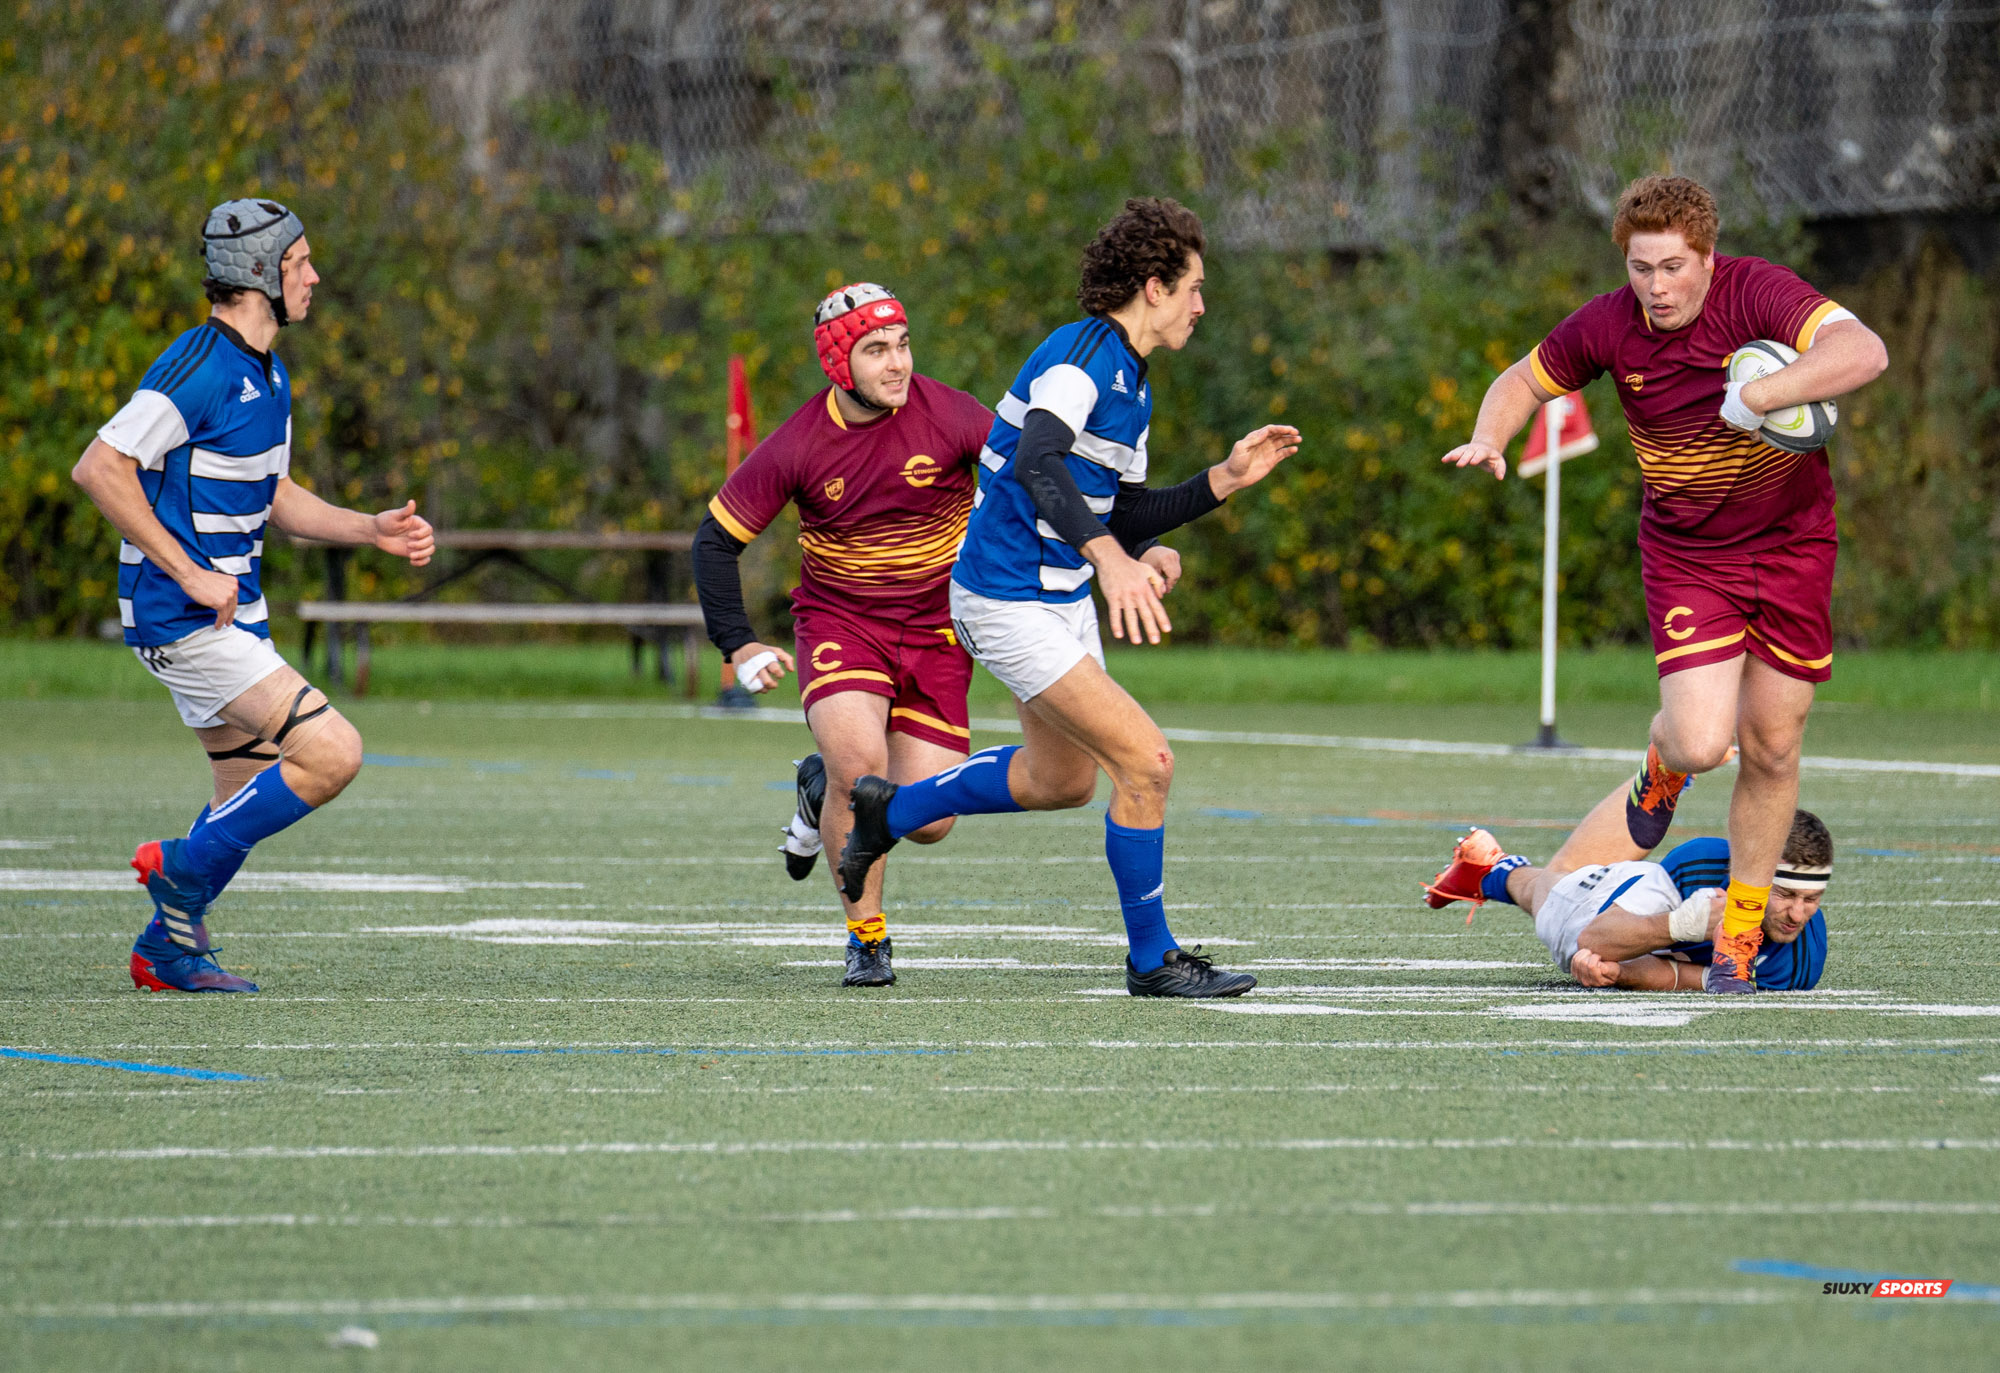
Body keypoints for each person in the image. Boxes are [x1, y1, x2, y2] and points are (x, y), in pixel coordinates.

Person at [834, 197, 1300, 998]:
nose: (1200, 304)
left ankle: (886, 812)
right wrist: (1113, 561)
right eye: (1192, 287)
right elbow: (1038, 465)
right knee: (1146, 763)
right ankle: (1151, 959)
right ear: (1153, 287)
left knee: (1063, 782)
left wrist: (1221, 481)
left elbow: (1118, 508)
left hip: (1056, 597)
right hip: (1006, 598)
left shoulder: (1134, 379)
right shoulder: (1079, 362)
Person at [1441, 175, 1885, 992]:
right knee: (1697, 741)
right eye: (1642, 268)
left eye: (1673, 267)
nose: (1657, 287)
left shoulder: (1758, 292)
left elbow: (1863, 352)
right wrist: (1489, 434)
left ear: (1708, 257)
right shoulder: (1611, 323)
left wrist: (1760, 395)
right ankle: (1664, 759)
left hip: (1791, 545)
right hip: (1690, 554)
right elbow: (1521, 381)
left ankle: (1737, 946)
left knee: (1774, 743)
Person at [70, 199, 434, 993]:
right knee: (332, 751)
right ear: (261, 273)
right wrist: (191, 572)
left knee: (246, 781)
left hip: (227, 615)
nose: (314, 275)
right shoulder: (197, 366)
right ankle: (180, 871)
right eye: (301, 261)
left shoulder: (268, 371)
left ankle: (166, 948)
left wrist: (368, 528)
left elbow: (273, 495)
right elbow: (100, 468)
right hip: (185, 617)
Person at [693, 283, 1009, 988]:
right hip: (843, 625)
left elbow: (1035, 485)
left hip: (936, 635)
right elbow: (714, 542)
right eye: (875, 350)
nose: (896, 364)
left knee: (930, 820)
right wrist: (739, 642)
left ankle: (815, 789)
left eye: (902, 345)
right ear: (840, 364)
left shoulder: (955, 414)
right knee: (861, 770)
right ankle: (867, 938)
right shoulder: (802, 441)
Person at [1423, 778, 1829, 992]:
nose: (1798, 915)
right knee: (1564, 903)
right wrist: (1680, 925)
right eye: (1786, 894)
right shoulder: (1704, 865)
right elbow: (1596, 939)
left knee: (1558, 883)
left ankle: (1490, 871)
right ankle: (1660, 771)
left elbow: (1674, 976)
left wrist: (1615, 973)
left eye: (1812, 899)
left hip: (1632, 940)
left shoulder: (1802, 959)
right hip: (1615, 911)